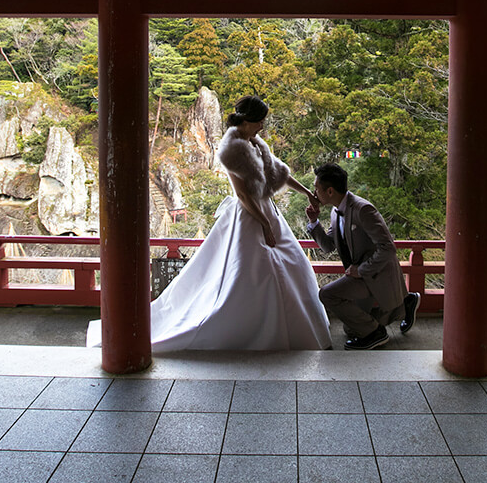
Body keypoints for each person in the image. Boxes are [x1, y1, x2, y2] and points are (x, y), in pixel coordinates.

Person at [87, 95, 330, 351]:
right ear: (246, 120)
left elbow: (279, 172)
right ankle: (251, 330)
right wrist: (264, 225)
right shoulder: (232, 149)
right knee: (251, 273)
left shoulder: (255, 143)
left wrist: (306, 192)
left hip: (267, 211)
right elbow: (243, 195)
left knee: (291, 263)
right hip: (250, 215)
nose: (262, 126)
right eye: (259, 121)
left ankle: (291, 328)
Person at [305, 163, 420, 350]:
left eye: (317, 188)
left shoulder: (362, 210)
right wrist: (313, 222)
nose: (314, 193)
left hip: (375, 274)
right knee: (350, 329)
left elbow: (388, 248)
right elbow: (327, 246)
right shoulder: (336, 212)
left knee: (327, 294)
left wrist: (362, 270)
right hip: (360, 275)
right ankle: (405, 304)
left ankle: (377, 334)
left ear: (330, 191)